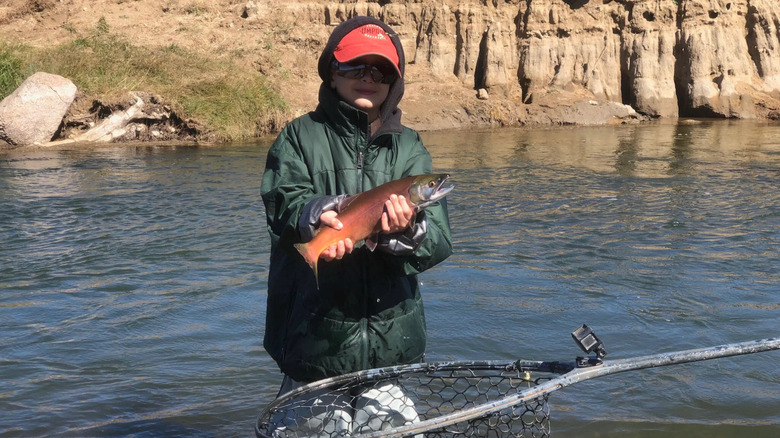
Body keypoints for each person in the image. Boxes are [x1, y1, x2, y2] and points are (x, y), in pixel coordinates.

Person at [261, 14, 453, 397]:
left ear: (393, 84)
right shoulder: (298, 135)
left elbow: (439, 241)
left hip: (391, 349)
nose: (368, 77)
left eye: (381, 72)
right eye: (354, 66)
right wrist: (315, 215)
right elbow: (283, 202)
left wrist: (406, 233)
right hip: (313, 344)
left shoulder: (410, 147)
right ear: (332, 73)